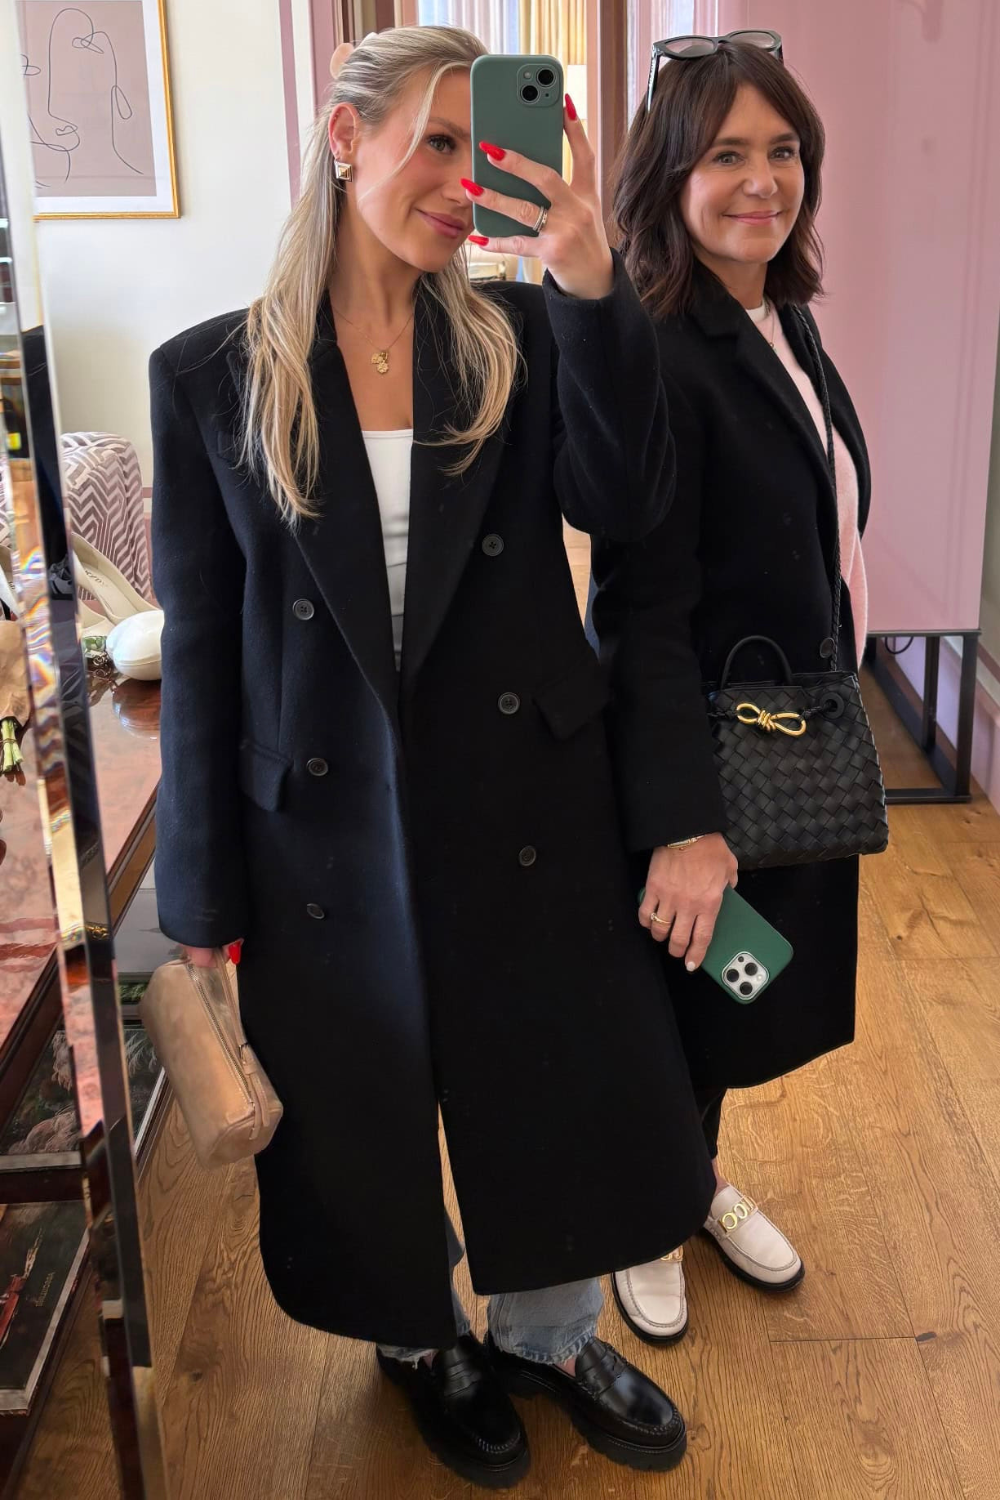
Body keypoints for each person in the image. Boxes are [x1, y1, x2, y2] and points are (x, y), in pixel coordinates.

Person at [150, 25, 715, 1488]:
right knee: (360, 1106)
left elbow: (628, 502)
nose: (470, 182)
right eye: (440, 142)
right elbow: (204, 651)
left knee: (554, 1070)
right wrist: (203, 900)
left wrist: (590, 273)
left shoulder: (523, 338)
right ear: (347, 140)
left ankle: (549, 1329)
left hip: (528, 789)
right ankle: (420, 1337)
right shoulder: (213, 375)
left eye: (496, 145)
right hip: (321, 826)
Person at [590, 34, 870, 1346]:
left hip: (790, 741)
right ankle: (645, 1207)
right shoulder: (659, 346)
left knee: (737, 987)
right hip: (706, 763)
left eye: (783, 151)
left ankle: (686, 1180)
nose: (764, 181)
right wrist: (680, 825)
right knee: (682, 986)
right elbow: (641, 612)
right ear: (671, 175)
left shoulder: (781, 315)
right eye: (727, 157)